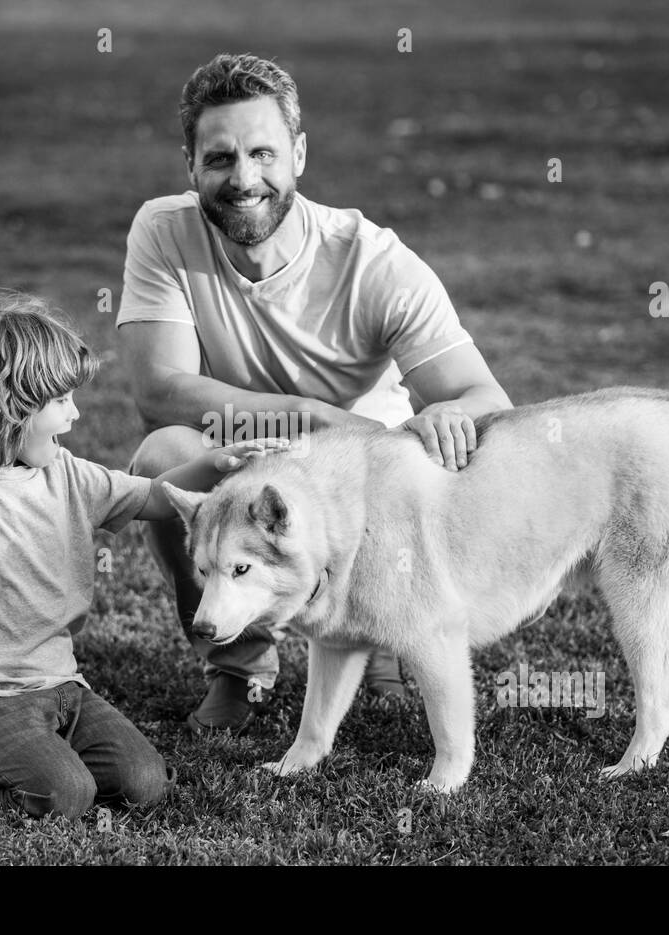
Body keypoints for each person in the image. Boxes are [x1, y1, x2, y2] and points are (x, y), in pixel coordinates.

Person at [118, 53, 512, 734]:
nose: (244, 179)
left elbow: (488, 401)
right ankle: (239, 666)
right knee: (161, 456)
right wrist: (305, 417)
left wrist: (448, 409)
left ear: (298, 152)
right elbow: (160, 389)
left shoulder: (375, 262)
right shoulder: (163, 231)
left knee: (416, 481)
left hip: (365, 479)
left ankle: (388, 630)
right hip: (243, 460)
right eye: (220, 159)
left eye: (264, 153)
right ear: (190, 165)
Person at [0, 290, 286, 820]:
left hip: (61, 690)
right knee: (63, 797)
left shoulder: (68, 475)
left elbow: (151, 496)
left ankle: (42, 752)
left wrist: (214, 463)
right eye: (62, 402)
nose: (75, 414)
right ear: (12, 406)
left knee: (145, 785)